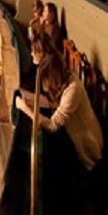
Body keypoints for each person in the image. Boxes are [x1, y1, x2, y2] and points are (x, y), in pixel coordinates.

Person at [15, 39, 103, 172]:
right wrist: (24, 96)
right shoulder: (65, 79)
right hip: (74, 137)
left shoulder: (72, 91)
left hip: (87, 148)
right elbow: (53, 104)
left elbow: (52, 125)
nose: (45, 85)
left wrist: (25, 108)